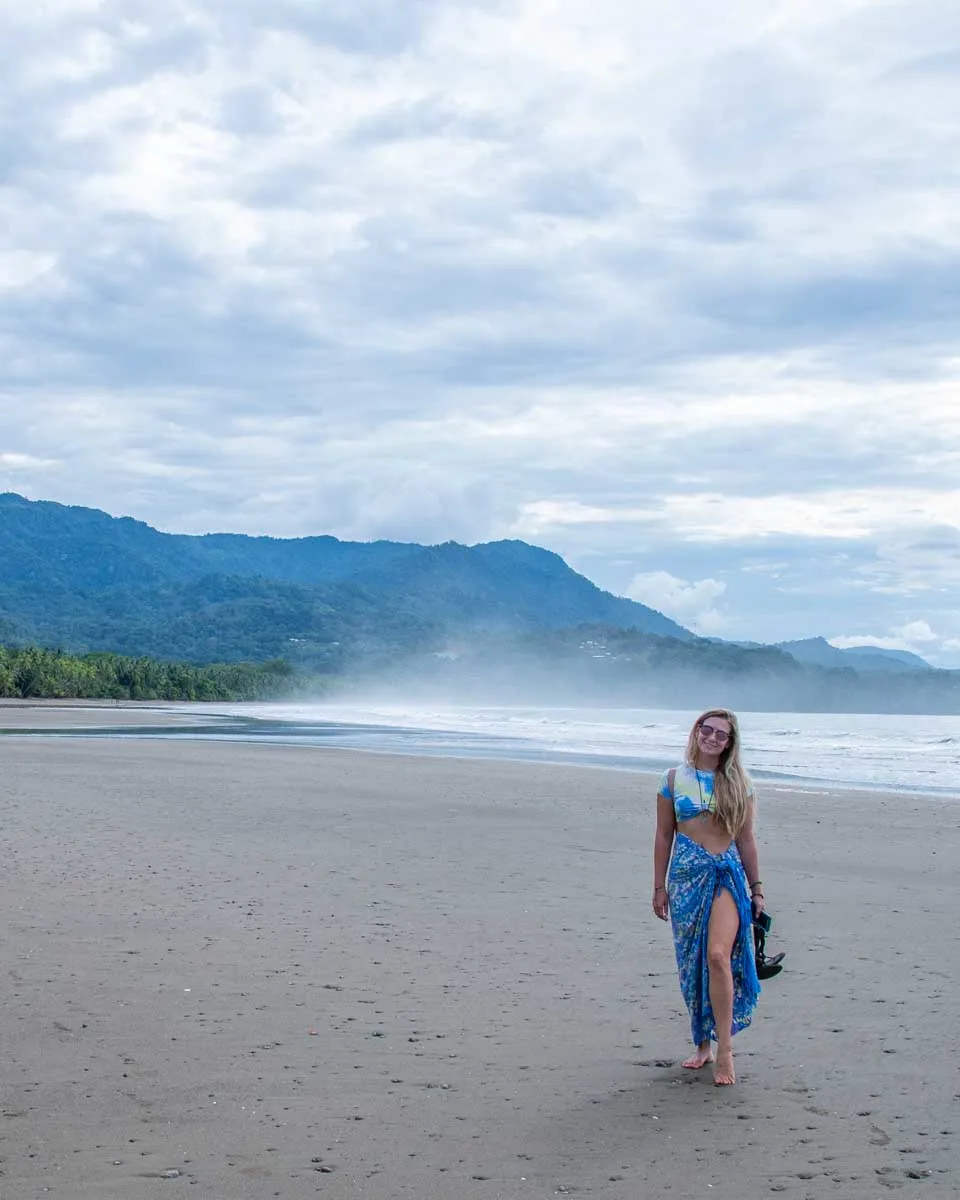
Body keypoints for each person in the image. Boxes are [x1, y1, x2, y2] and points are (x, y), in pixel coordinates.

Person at [651, 708, 764, 1086]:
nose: (713, 738)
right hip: (685, 878)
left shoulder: (739, 784)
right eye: (708, 729)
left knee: (717, 955)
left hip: (725, 874)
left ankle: (726, 1052)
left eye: (722, 735)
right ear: (696, 731)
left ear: (730, 743)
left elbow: (746, 839)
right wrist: (658, 885)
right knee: (691, 962)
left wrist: (757, 888)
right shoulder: (672, 780)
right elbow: (664, 835)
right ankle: (702, 1044)